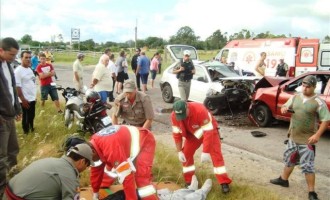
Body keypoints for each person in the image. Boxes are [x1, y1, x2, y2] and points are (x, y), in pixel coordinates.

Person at [270, 75, 330, 200]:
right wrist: (284, 109)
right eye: (303, 85)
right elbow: (284, 107)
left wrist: (317, 135)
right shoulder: (295, 97)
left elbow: (326, 120)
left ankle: (312, 192)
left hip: (307, 140)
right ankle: (283, 180)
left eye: (308, 87)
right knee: (289, 159)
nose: (305, 88)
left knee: (308, 166)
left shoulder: (318, 102)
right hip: (293, 137)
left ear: (314, 87)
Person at [171, 100, 232, 193]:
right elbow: (176, 134)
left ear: (187, 107)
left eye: (184, 114)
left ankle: (224, 182)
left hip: (210, 131)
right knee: (186, 154)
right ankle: (189, 181)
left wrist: (205, 151)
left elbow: (208, 132)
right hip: (192, 133)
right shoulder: (174, 116)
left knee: (216, 155)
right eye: (180, 116)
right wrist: (179, 151)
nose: (182, 117)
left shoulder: (199, 110)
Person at [89, 125, 158, 200]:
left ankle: (150, 198)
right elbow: (96, 169)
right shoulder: (93, 143)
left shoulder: (112, 150)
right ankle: (104, 185)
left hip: (145, 141)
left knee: (141, 178)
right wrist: (95, 193)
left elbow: (127, 176)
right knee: (110, 170)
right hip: (124, 144)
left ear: (93, 152)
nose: (91, 162)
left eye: (90, 160)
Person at [5, 143, 94, 200]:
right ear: (82, 161)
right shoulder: (69, 174)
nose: (86, 169)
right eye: (87, 165)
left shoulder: (51, 160)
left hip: (7, 192)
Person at [0, 37, 21, 199]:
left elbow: (12, 90)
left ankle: (10, 179)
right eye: (11, 54)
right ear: (1, 50)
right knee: (1, 156)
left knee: (13, 150)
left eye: (15, 55)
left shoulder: (8, 65)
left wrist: (17, 108)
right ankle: (2, 190)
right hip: (1, 118)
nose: (14, 58)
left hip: (10, 115)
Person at [14, 50, 37, 134]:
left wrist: (34, 97)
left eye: (30, 57)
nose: (28, 59)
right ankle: (26, 132)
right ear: (21, 58)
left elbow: (32, 83)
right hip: (24, 99)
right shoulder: (18, 71)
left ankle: (31, 128)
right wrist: (23, 99)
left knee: (32, 116)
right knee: (26, 117)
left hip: (32, 98)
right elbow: (17, 87)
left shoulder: (29, 69)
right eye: (26, 57)